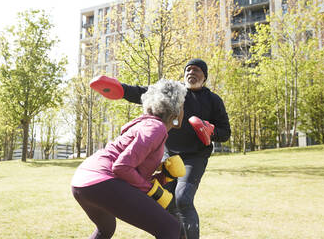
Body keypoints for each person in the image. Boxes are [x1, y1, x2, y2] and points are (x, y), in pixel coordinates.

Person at [100, 58, 231, 239]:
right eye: (188, 70)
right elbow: (144, 92)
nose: (191, 73)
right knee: (165, 202)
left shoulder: (213, 100)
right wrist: (121, 89)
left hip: (195, 157)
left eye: (197, 70)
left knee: (183, 199)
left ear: (205, 76)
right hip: (168, 155)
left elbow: (225, 132)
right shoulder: (175, 92)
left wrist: (211, 131)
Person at [71, 79, 188, 239]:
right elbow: (122, 167)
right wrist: (152, 190)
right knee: (170, 228)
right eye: (183, 105)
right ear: (175, 111)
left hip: (82, 181)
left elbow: (131, 177)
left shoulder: (148, 124)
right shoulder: (156, 128)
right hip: (101, 180)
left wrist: (164, 177)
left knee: (106, 229)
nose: (184, 110)